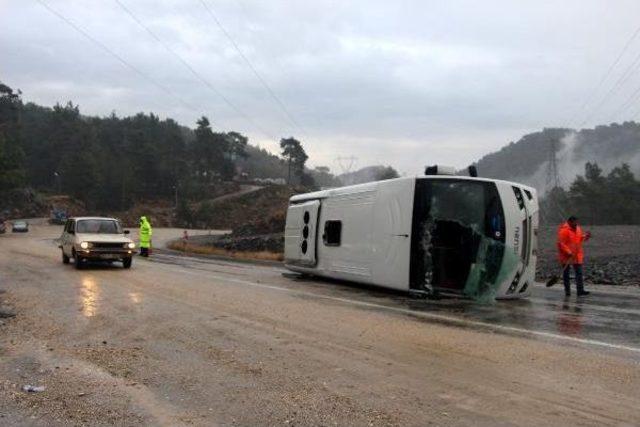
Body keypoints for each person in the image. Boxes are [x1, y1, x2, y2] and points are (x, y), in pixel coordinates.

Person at [557, 216, 591, 297]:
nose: (576, 224)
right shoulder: (564, 230)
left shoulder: (578, 229)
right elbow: (561, 243)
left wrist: (586, 236)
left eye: (577, 222)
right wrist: (568, 252)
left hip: (576, 254)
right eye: (575, 222)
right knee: (566, 274)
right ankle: (567, 291)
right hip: (566, 256)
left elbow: (579, 239)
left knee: (579, 273)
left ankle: (580, 291)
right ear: (570, 222)